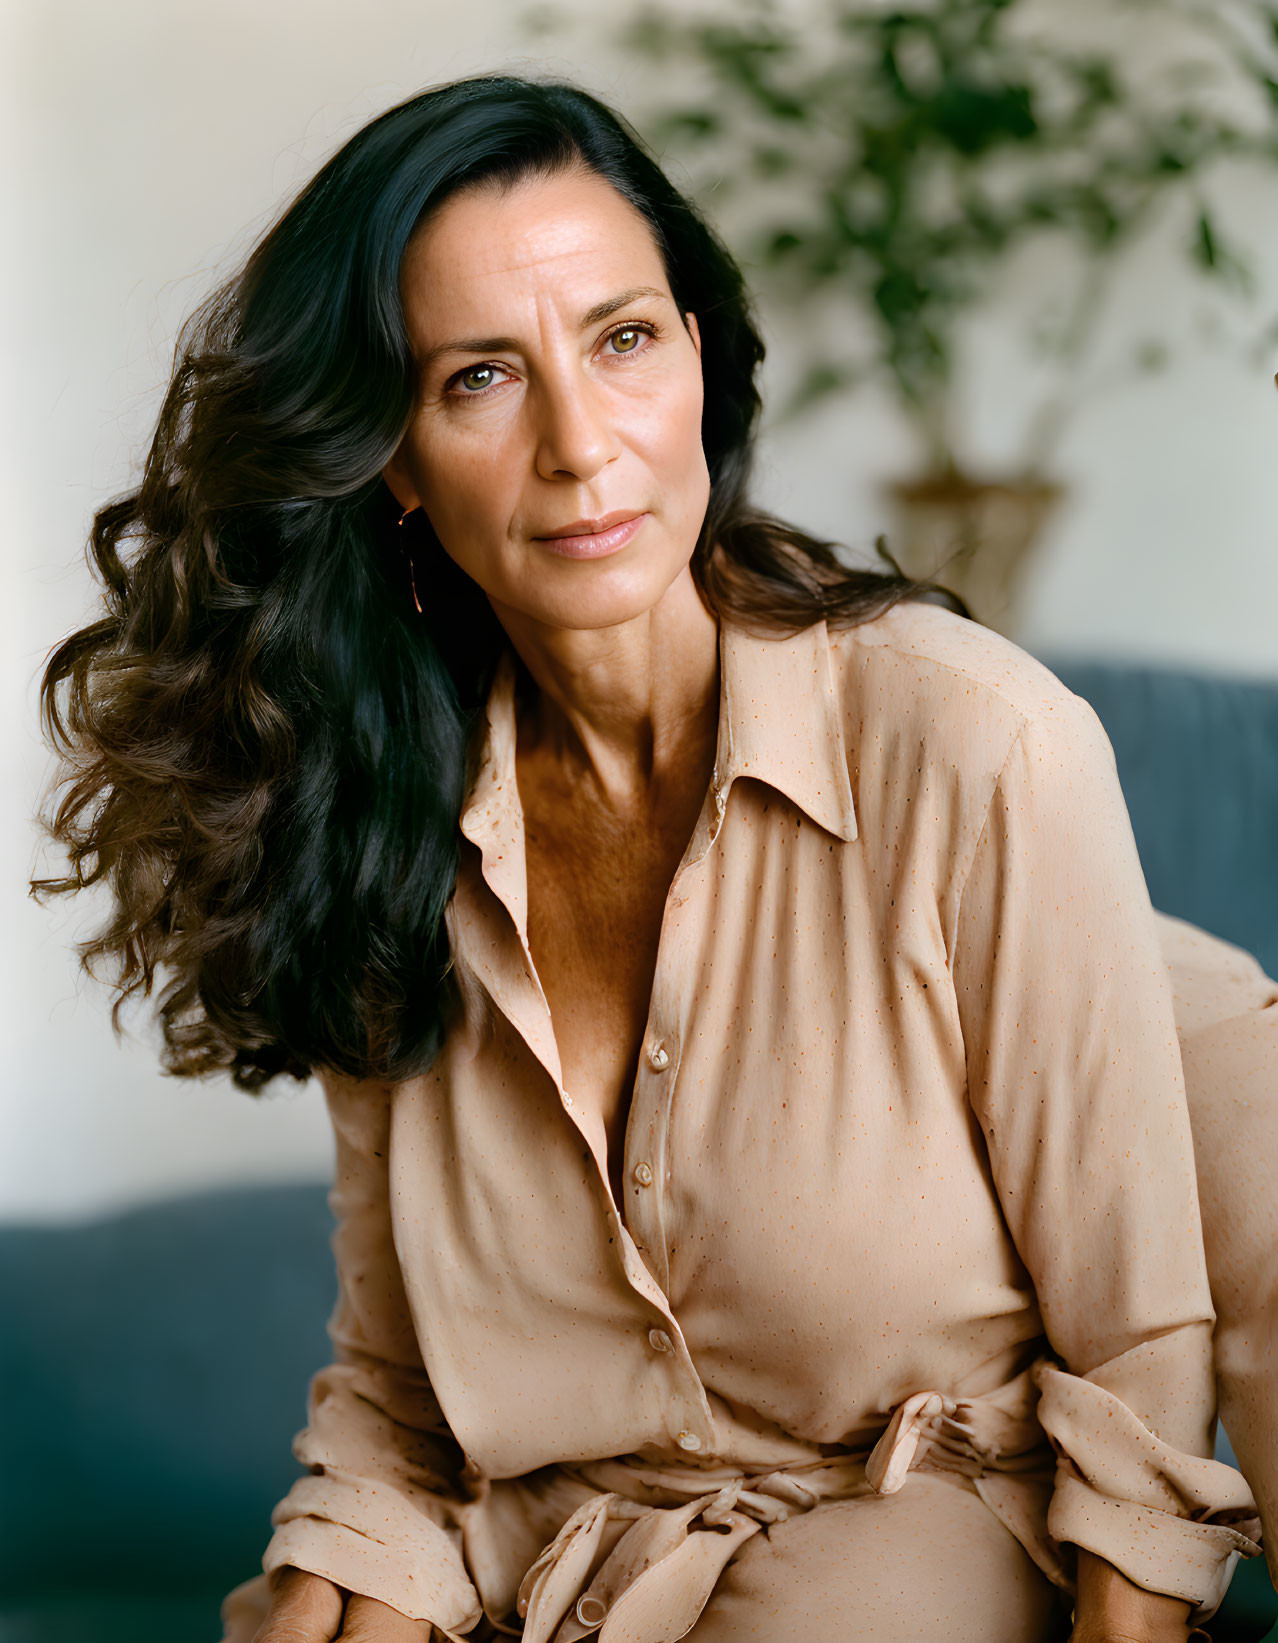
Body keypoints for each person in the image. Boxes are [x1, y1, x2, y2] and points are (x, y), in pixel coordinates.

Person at [34, 74, 1268, 1643]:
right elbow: (401, 1392)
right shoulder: (365, 808)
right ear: (392, 461)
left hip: (921, 1533)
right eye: (480, 376)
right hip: (539, 1556)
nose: (578, 446)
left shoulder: (977, 747)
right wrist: (340, 1572)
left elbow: (1136, 1358)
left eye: (622, 340)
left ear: (699, 357)